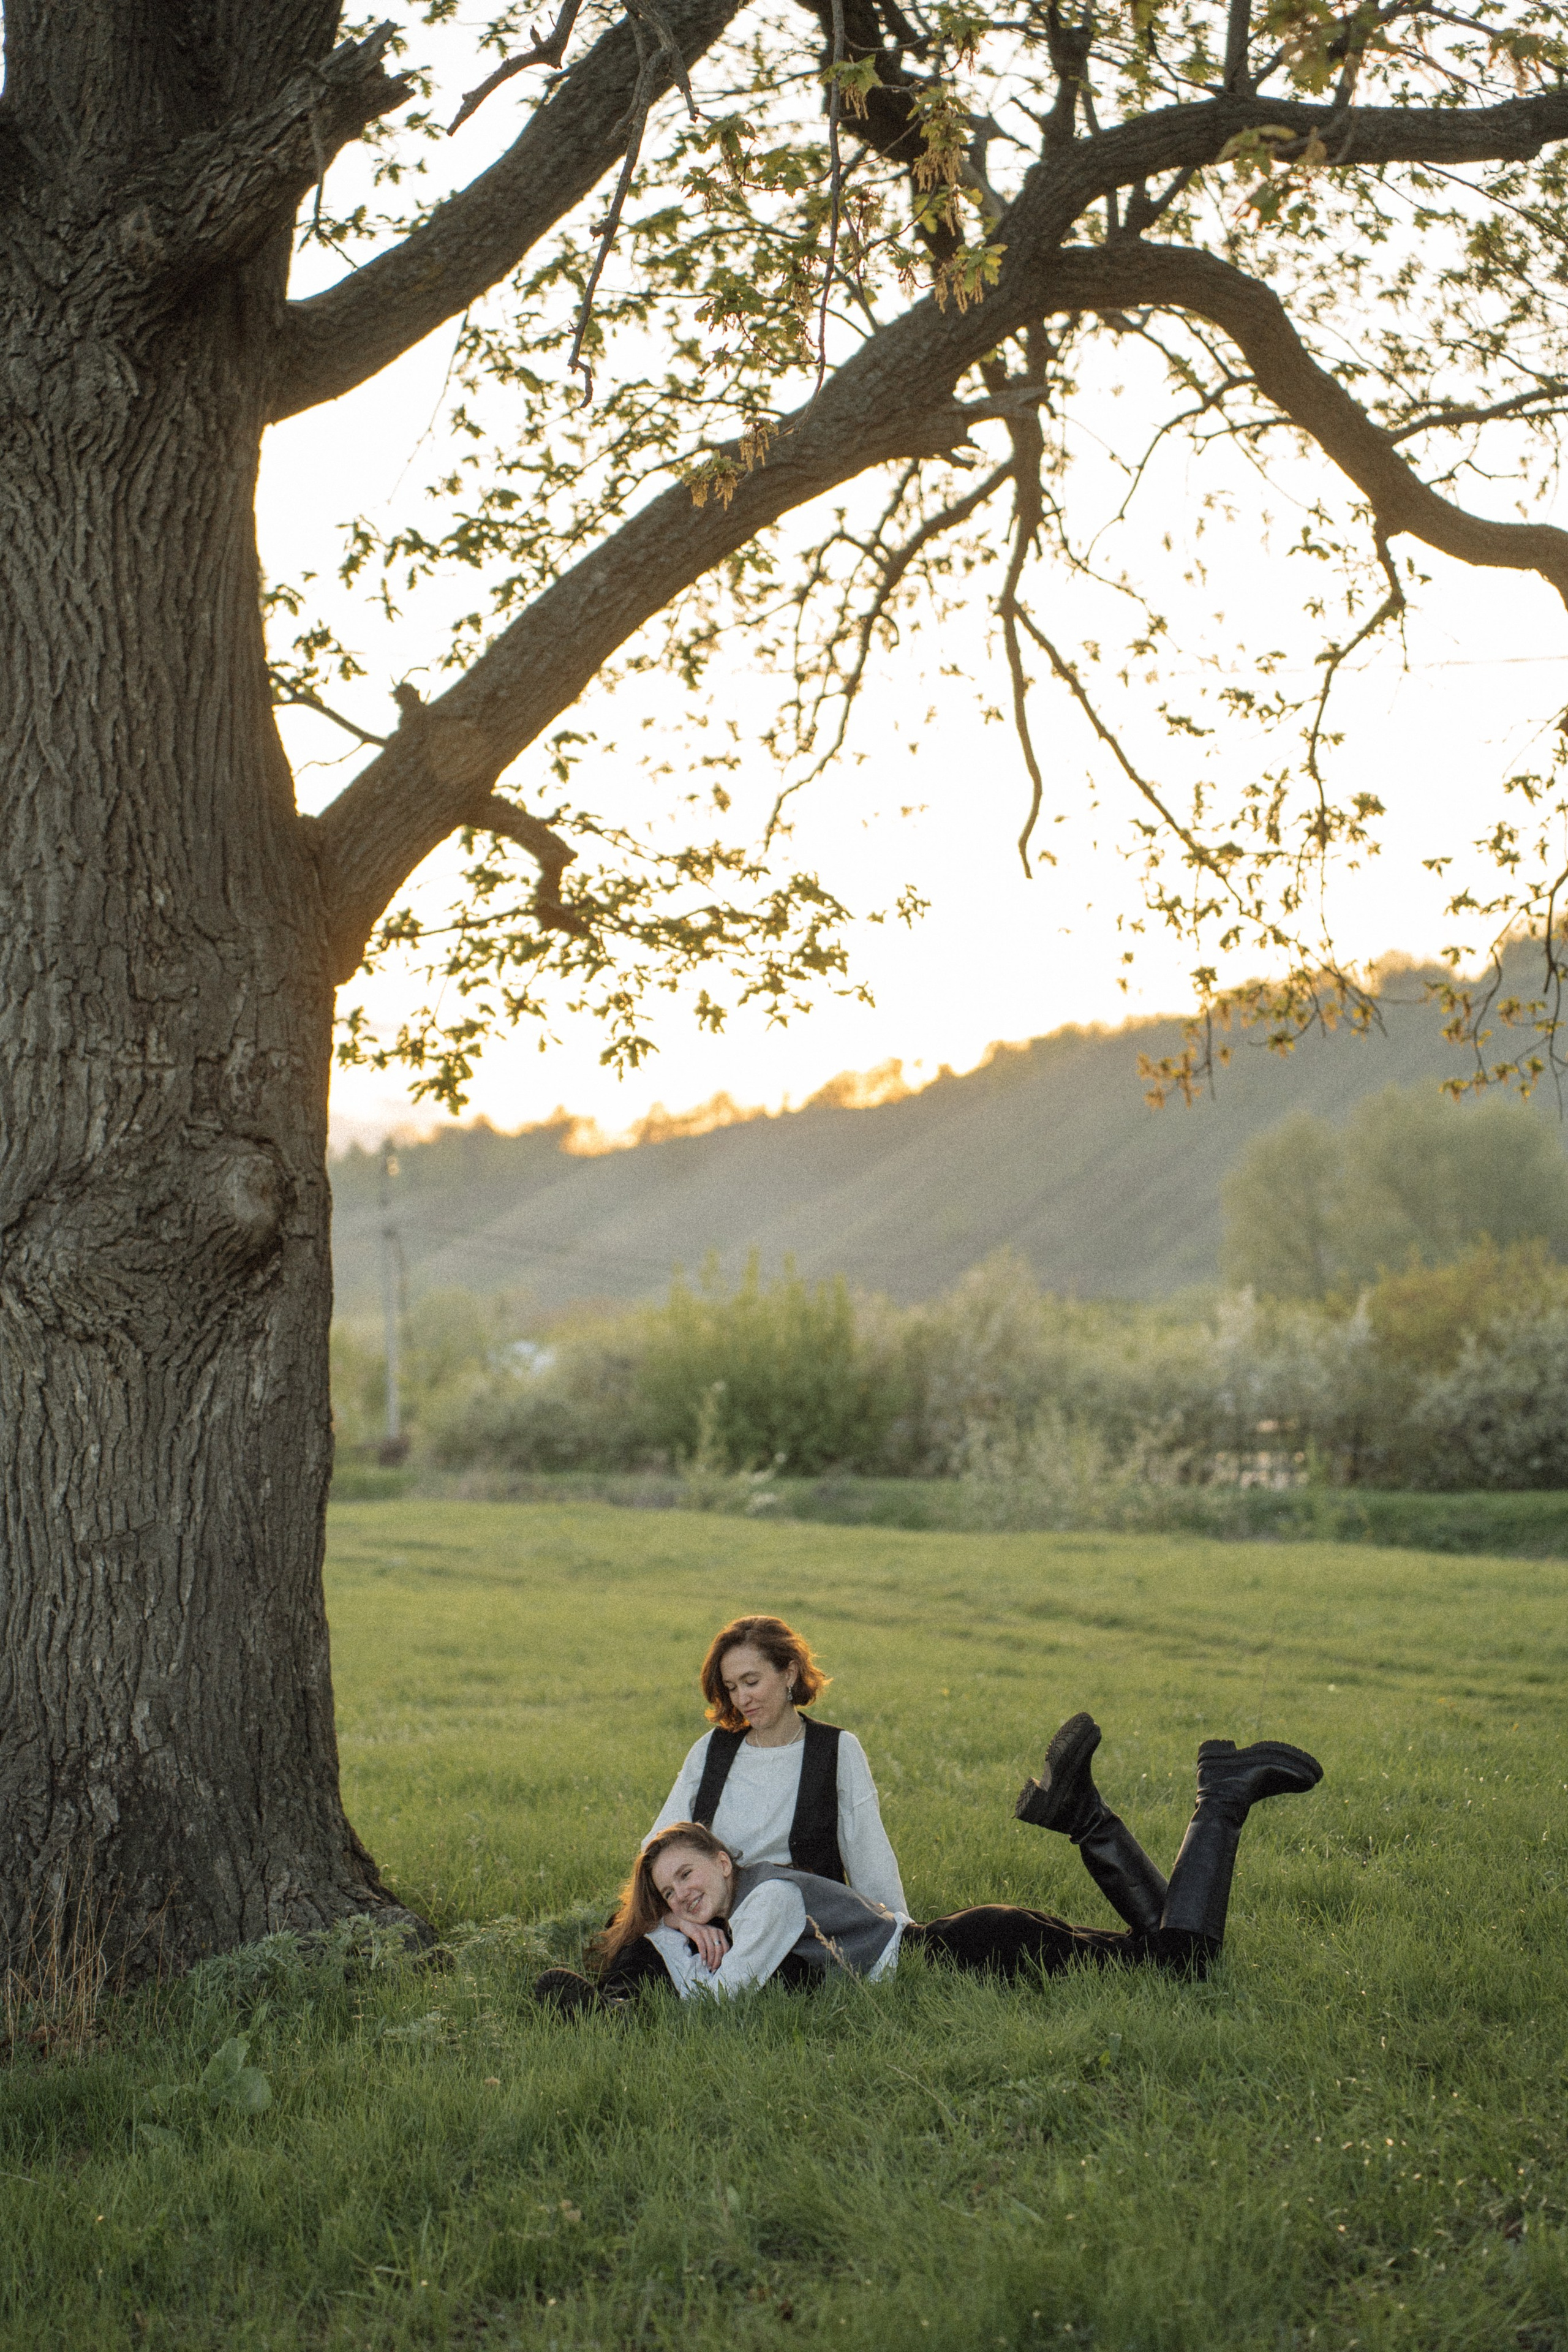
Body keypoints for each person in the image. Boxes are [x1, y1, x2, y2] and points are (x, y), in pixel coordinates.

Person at [533, 1717, 1324, 2011]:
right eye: (671, 1890)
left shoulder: (767, 1901)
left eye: (689, 1874)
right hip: (975, 1946)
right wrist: (675, 1925)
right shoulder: (733, 1906)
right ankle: (1082, 1816)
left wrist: (680, 1957)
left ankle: (1217, 1801)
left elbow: (725, 2002)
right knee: (1164, 1957)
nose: (685, 1892)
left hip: (980, 1958)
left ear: (723, 1856)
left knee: (1181, 1966)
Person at [643, 1617, 906, 1966]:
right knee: (642, 1955)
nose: (742, 1699)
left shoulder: (835, 1749)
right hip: (715, 1922)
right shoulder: (712, 1751)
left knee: (786, 1975)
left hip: (798, 1924)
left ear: (790, 1673)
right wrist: (680, 1921)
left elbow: (869, 1853)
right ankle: (608, 2006)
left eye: (752, 1682)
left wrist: (899, 1935)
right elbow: (656, 1850)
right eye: (732, 1687)